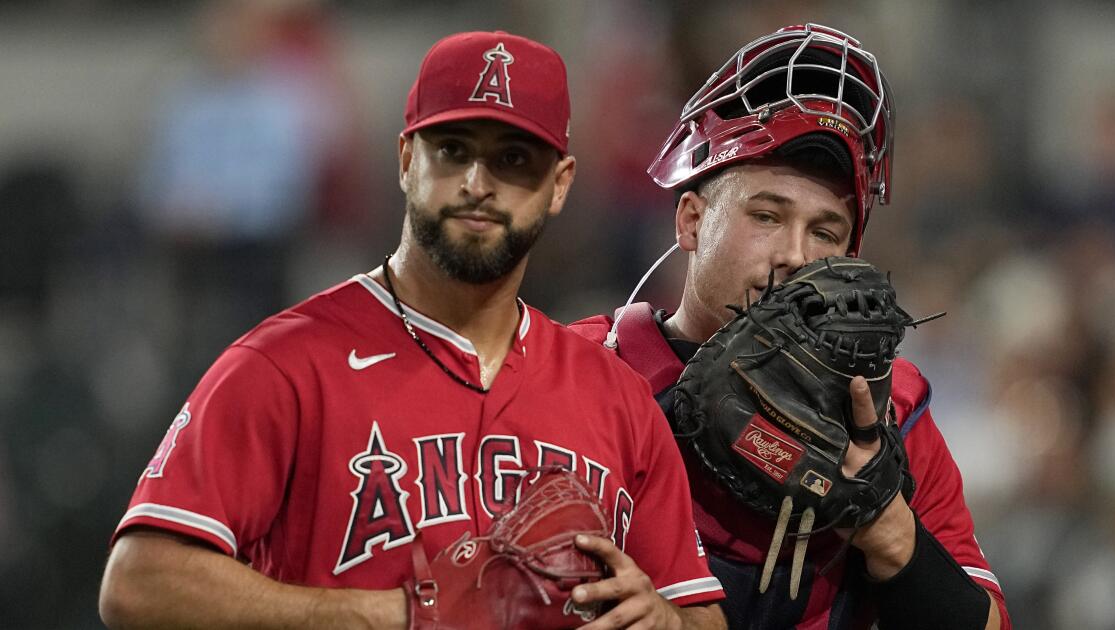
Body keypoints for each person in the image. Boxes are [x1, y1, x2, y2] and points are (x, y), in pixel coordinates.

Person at [100, 31, 725, 629]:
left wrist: (665, 620)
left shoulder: (615, 398)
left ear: (559, 184)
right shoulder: (286, 363)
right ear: (406, 160)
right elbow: (138, 582)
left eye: (512, 160)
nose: (478, 185)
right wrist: (404, 615)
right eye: (453, 151)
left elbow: (700, 616)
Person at [571, 24, 1012, 629]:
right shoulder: (577, 373)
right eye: (767, 216)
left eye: (825, 233)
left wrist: (887, 528)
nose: (796, 257)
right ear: (692, 221)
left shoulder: (891, 411)